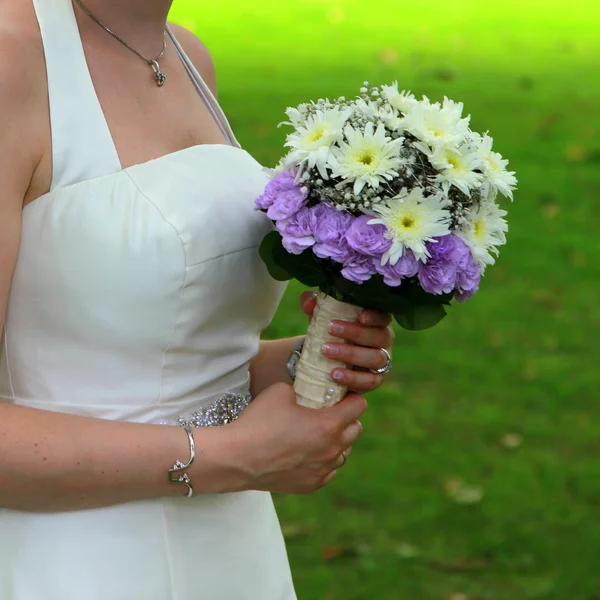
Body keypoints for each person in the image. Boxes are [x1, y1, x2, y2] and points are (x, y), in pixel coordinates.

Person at [0, 0, 394, 598]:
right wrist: (233, 456)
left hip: (231, 551)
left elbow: (149, 354)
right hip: (70, 561)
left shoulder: (184, 54)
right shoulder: (11, 59)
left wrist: (302, 361)